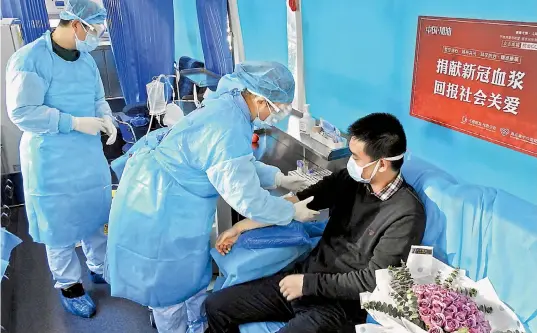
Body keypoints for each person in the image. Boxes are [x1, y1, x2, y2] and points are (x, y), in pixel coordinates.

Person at [105, 61, 320, 333]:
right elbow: (248, 199)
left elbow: (237, 162)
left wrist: (278, 178)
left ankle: (197, 323)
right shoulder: (227, 125)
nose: (276, 115)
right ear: (261, 99)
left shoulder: (232, 104)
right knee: (166, 283)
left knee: (191, 270)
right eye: (279, 108)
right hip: (161, 203)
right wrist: (290, 211)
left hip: (176, 198)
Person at [205, 113, 427, 333]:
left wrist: (307, 284)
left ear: (382, 165)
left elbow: (374, 280)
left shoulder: (406, 213)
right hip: (302, 279)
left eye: (356, 158)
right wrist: (240, 227)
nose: (351, 163)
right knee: (216, 306)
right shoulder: (350, 180)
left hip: (341, 306)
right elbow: (298, 202)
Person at [5, 0, 116, 318]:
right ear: (76, 24)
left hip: (87, 155)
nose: (96, 37)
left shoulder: (86, 61)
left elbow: (97, 98)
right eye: (94, 30)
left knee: (96, 214)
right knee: (60, 224)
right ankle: (70, 286)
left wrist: (105, 117)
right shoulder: (31, 59)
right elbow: (24, 112)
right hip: (51, 158)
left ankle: (98, 266)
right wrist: (74, 122)